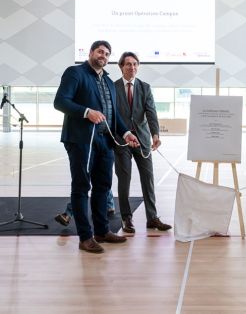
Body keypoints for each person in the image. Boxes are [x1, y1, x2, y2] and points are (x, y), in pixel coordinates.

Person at [54, 40, 140, 254]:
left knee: (103, 187)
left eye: (107, 53)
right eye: (100, 51)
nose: (103, 55)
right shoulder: (75, 73)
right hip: (82, 141)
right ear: (91, 52)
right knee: (82, 187)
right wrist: (86, 112)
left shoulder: (109, 82)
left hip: (105, 142)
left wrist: (127, 133)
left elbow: (113, 114)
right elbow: (60, 102)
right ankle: (85, 237)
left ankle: (102, 231)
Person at [113, 52, 172, 233]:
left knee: (148, 179)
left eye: (135, 64)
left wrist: (155, 133)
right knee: (124, 180)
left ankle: (152, 218)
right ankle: (126, 218)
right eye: (128, 64)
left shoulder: (145, 87)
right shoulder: (112, 87)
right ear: (121, 67)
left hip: (143, 140)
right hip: (122, 141)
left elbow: (151, 112)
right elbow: (111, 114)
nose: (132, 67)